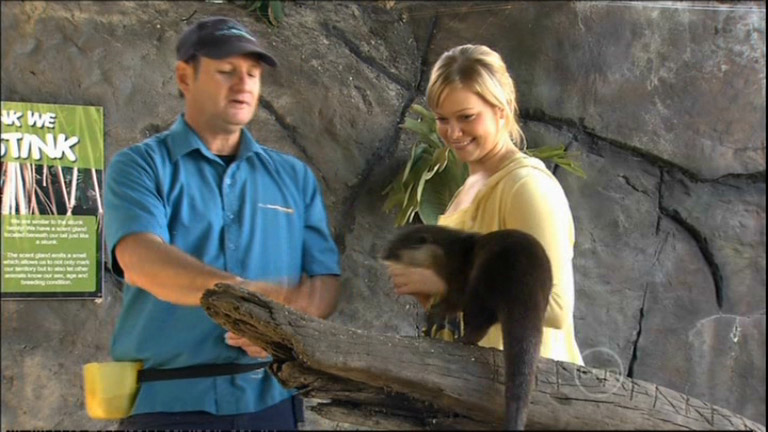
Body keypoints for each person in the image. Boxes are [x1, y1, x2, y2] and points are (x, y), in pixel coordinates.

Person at [103, 16, 341, 430]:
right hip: (168, 406)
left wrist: (283, 325)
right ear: (185, 76)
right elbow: (141, 259)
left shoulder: (294, 177)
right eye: (226, 71)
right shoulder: (140, 166)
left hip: (272, 400)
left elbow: (325, 282)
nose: (243, 84)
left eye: (253, 73)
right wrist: (247, 303)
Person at [385, 44, 583, 366]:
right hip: (471, 382)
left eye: (466, 117)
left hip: (530, 385)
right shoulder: (468, 189)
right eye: (442, 119)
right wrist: (429, 293)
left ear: (501, 110)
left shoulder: (526, 186)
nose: (453, 132)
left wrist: (444, 283)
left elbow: (556, 306)